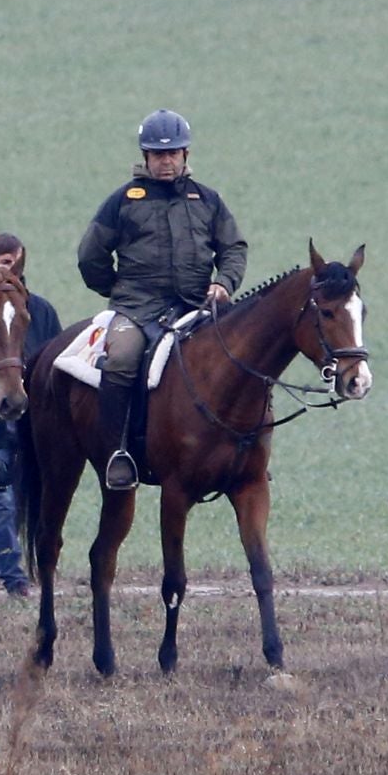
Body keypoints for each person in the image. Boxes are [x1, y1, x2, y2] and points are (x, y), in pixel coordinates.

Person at [77, 109, 248, 491]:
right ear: (146, 156)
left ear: (186, 155)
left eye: (172, 154)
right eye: (157, 154)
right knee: (120, 359)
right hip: (137, 311)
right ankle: (117, 453)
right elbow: (91, 256)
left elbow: (233, 247)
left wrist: (224, 283)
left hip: (197, 307)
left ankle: (247, 451)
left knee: (243, 352)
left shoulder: (207, 201)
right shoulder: (122, 201)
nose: (165, 161)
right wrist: (118, 291)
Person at [0, 235, 60, 601]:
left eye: (16, 264)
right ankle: (14, 580)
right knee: (3, 502)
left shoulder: (40, 312)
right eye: (4, 262)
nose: (11, 270)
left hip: (33, 424)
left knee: (26, 502)